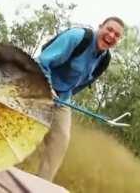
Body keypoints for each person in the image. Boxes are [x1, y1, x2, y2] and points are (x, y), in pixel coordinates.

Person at [34, 16, 125, 181]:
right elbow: (42, 62)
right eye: (109, 29)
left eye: (117, 35)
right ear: (100, 26)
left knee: (61, 140)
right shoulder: (76, 37)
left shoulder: (104, 61)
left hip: (62, 98)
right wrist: (47, 87)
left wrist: (62, 97)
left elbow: (82, 83)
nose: (111, 36)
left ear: (119, 40)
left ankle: (39, 185)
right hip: (37, 82)